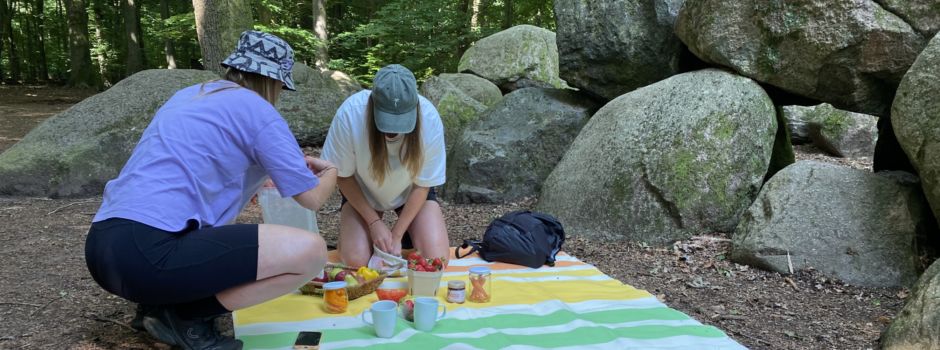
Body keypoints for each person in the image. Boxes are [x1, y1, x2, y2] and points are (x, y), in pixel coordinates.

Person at [84, 31, 336, 350]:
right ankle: (187, 317)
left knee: (215, 244)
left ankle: (159, 305)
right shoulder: (260, 112)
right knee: (312, 252)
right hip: (149, 255)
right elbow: (312, 198)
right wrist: (331, 173)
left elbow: (195, 168)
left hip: (105, 247)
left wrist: (261, 178)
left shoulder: (192, 96)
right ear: (274, 82)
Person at [321, 64, 449, 267]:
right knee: (355, 260)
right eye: (387, 121)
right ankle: (361, 236)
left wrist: (397, 234)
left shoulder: (429, 118)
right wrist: (374, 223)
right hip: (363, 191)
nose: (392, 132)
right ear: (373, 105)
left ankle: (406, 236)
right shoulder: (350, 113)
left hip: (411, 191)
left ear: (414, 108)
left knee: (436, 260)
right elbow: (342, 174)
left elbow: (423, 184)